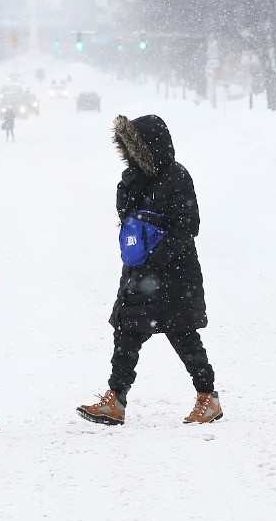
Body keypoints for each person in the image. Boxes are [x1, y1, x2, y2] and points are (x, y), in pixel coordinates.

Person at [78, 114, 222, 426]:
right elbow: (125, 214)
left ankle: (207, 397)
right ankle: (115, 400)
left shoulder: (177, 177)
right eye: (127, 148)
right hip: (139, 270)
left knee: (182, 333)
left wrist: (161, 254)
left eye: (136, 147)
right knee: (126, 331)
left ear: (151, 147)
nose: (130, 153)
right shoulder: (133, 176)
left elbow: (189, 225)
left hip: (173, 273)